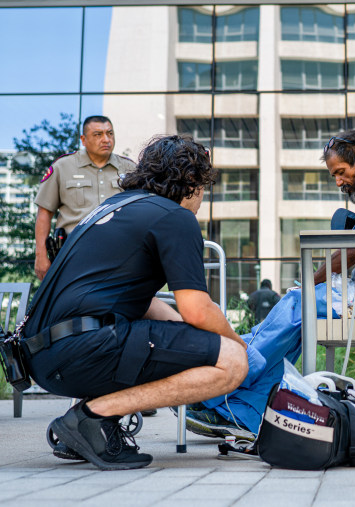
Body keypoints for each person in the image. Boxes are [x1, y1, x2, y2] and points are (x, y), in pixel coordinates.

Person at [22, 135, 265, 471]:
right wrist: (238, 347)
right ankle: (91, 418)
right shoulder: (174, 217)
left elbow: (142, 300)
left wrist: (187, 335)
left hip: (43, 359)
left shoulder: (112, 208)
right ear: (192, 182)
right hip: (82, 349)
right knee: (232, 362)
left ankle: (83, 430)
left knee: (189, 338)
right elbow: (198, 309)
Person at [185, 129, 355, 438]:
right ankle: (240, 409)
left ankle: (216, 384)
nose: (338, 182)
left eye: (340, 173)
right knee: (297, 319)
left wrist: (308, 283)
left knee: (295, 303)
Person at [34, 115, 136, 280]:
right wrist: (40, 255)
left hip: (121, 255)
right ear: (83, 139)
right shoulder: (63, 167)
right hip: (74, 255)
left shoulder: (129, 168)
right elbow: (45, 212)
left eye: (110, 133)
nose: (106, 139)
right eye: (98, 135)